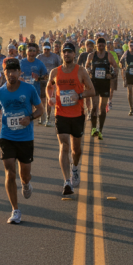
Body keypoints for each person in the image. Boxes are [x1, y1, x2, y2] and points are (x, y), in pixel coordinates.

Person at [0, 58, 43, 224]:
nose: (11, 74)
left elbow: (40, 109)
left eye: (15, 71)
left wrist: (31, 118)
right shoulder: (0, 93)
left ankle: (26, 183)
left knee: (24, 174)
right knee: (9, 172)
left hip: (25, 137)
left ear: (20, 72)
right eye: (8, 71)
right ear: (4, 73)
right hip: (7, 136)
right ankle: (15, 210)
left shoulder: (29, 89)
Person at [46, 42, 96, 196]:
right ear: (61, 54)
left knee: (76, 150)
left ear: (74, 54)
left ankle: (75, 167)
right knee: (64, 146)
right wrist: (50, 98)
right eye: (64, 52)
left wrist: (79, 95)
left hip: (77, 114)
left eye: (69, 52)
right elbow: (49, 86)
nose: (66, 54)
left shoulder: (81, 71)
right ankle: (67, 181)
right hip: (61, 114)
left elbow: (92, 90)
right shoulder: (55, 72)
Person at [86, 37, 115, 139]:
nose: (101, 47)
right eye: (99, 45)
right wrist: (89, 71)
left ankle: (100, 130)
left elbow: (116, 67)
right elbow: (86, 67)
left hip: (105, 85)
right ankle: (94, 128)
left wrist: (111, 75)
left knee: (102, 109)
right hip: (94, 84)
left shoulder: (109, 56)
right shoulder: (91, 55)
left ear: (105, 46)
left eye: (102, 45)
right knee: (94, 107)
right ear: (96, 46)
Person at [37, 42, 62, 126]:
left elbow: (60, 67)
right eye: (45, 49)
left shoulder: (55, 57)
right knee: (41, 99)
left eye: (48, 49)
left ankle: (48, 117)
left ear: (50, 49)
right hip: (41, 81)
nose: (46, 51)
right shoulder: (39, 57)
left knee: (49, 99)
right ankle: (42, 115)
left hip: (52, 81)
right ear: (42, 49)